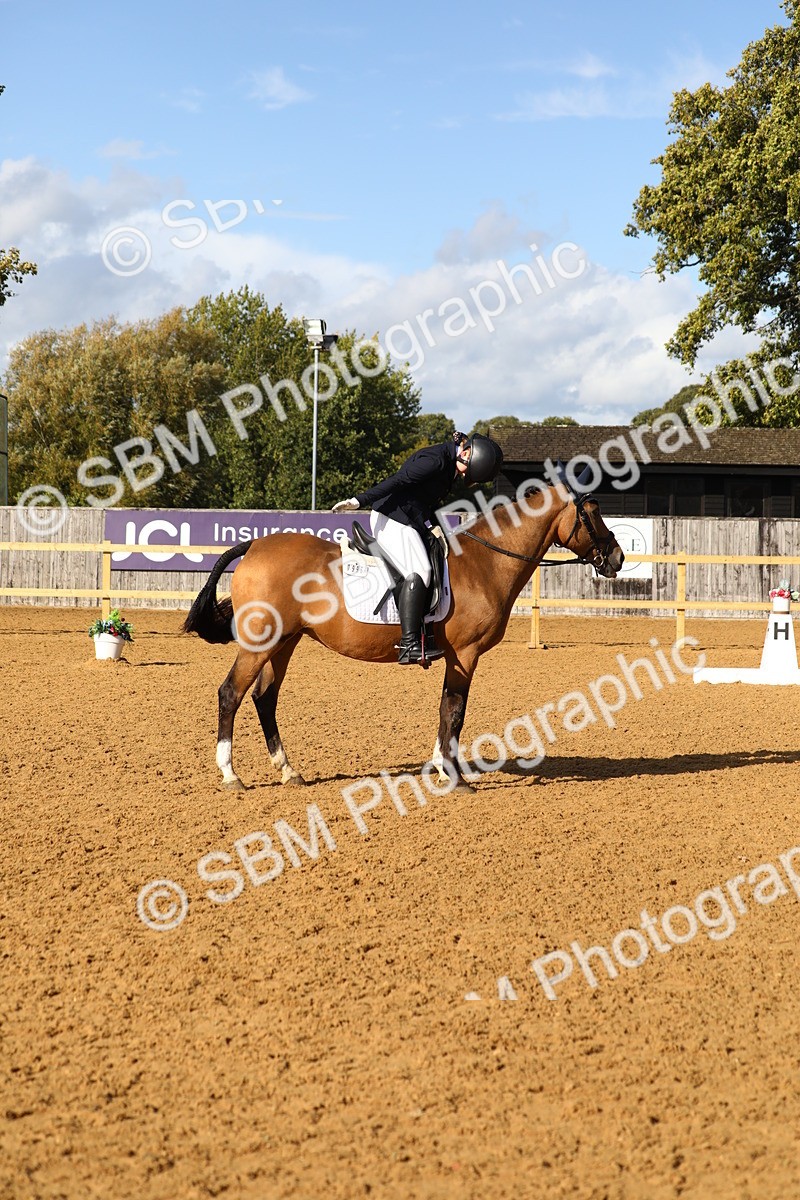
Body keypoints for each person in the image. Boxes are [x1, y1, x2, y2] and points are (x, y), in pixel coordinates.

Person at [332, 432, 504, 664]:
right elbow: (399, 480)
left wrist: (434, 526)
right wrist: (359, 500)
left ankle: (427, 632)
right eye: (467, 471)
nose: (464, 477)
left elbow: (423, 501)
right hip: (391, 517)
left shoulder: (451, 462)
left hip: (410, 518)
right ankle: (409, 643)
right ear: (465, 453)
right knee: (420, 571)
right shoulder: (435, 461)